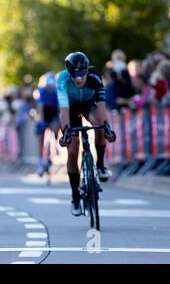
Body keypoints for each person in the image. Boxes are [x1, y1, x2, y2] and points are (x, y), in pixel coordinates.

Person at [57, 52, 115, 216]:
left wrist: (106, 127)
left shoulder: (95, 76)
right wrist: (66, 132)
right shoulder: (62, 79)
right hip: (71, 109)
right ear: (69, 73)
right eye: (75, 74)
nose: (79, 78)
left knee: (100, 125)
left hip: (89, 105)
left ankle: (101, 165)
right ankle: (75, 196)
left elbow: (102, 106)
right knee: (73, 149)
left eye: (82, 73)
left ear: (87, 71)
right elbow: (64, 109)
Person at [35, 72, 59, 176]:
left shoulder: (56, 92)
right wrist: (41, 121)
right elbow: (40, 108)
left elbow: (59, 109)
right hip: (43, 114)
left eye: (51, 87)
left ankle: (56, 144)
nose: (50, 89)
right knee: (40, 140)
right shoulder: (41, 91)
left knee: (57, 126)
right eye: (48, 87)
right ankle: (40, 164)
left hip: (53, 114)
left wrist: (57, 121)